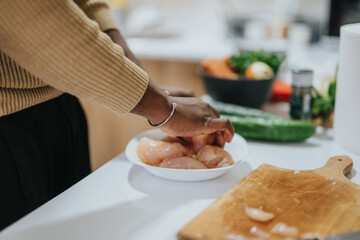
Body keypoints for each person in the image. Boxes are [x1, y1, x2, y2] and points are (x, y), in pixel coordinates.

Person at [0, 0, 234, 230]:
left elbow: (84, 3)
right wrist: (162, 107)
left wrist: (153, 90)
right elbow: (35, 19)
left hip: (62, 108)